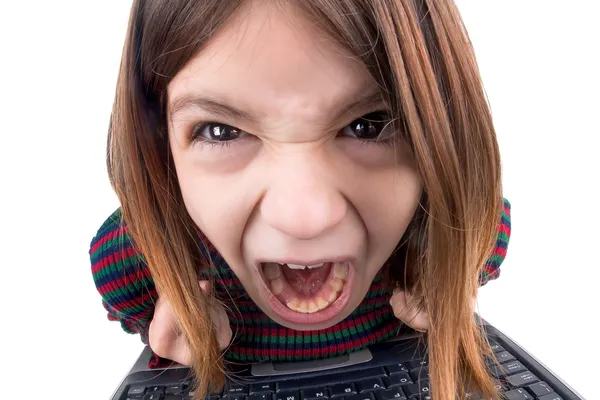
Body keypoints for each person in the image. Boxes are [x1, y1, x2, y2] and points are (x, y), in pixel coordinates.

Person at [89, 1, 512, 399]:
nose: (305, 219)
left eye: (369, 125)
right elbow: (119, 269)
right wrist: (167, 310)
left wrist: (446, 277)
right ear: (160, 147)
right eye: (222, 131)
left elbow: (482, 218)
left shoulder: (443, 224)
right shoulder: (147, 248)